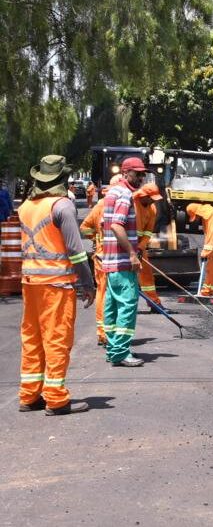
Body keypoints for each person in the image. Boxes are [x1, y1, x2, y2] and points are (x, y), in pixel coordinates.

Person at [18, 155, 95, 415]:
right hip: (57, 285)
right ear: (63, 178)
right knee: (56, 340)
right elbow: (75, 250)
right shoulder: (62, 206)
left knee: (33, 339)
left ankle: (29, 395)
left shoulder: (27, 205)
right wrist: (88, 282)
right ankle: (56, 399)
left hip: (30, 283)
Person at [101, 158, 147, 367]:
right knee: (127, 306)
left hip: (110, 261)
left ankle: (113, 350)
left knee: (112, 307)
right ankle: (120, 352)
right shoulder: (125, 194)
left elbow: (105, 224)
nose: (141, 177)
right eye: (138, 174)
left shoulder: (111, 192)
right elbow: (117, 227)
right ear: (126, 172)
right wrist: (132, 254)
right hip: (121, 262)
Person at [185, 203, 213, 298]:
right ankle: (207, 290)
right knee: (210, 269)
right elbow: (209, 235)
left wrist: (206, 251)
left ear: (197, 213)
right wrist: (207, 250)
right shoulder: (206, 213)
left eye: (195, 217)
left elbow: (211, 233)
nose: (196, 220)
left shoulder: (209, 215)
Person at [134, 183, 168, 311]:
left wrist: (141, 245)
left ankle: (154, 303)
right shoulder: (131, 203)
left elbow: (149, 231)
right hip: (124, 245)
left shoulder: (152, 208)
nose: (152, 201)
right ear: (143, 195)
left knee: (147, 273)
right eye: (150, 198)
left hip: (139, 246)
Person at [80, 198, 108, 347]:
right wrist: (96, 237)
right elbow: (84, 228)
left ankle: (103, 332)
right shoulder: (106, 205)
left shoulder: (100, 205)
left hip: (102, 257)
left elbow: (85, 227)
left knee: (102, 293)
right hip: (105, 257)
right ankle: (104, 333)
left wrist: (95, 237)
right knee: (105, 294)